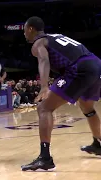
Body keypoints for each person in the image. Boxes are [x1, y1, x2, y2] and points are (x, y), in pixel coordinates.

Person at [21, 16, 101, 171]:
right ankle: (98, 144)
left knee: (44, 108)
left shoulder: (39, 42)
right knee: (87, 106)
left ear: (31, 29)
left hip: (79, 68)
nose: (24, 34)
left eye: (24, 30)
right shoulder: (56, 37)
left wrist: (44, 86)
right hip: (96, 64)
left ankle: (45, 159)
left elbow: (44, 60)